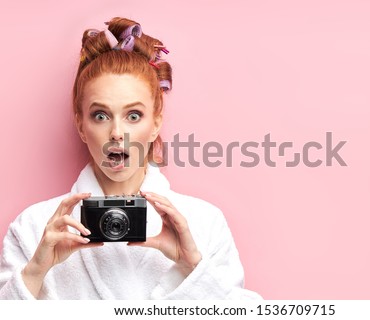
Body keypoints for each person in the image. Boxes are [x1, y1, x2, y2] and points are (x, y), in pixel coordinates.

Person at [0, 17, 261, 300]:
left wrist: (193, 267)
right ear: (80, 125)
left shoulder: (204, 223)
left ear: (156, 122)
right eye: (100, 115)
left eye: (133, 115)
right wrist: (35, 272)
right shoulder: (34, 228)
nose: (116, 132)